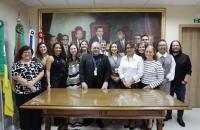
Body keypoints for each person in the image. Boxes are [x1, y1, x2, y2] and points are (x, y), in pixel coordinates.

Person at [80, 41, 111, 128]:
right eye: (94, 48)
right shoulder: (85, 57)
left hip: (100, 85)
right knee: (87, 103)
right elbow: (81, 70)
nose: (96, 49)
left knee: (100, 103)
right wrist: (82, 82)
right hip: (87, 85)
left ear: (100, 48)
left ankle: (99, 119)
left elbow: (108, 71)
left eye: (97, 48)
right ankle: (88, 118)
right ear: (91, 48)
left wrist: (106, 81)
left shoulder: (104, 57)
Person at [12, 45, 44, 130]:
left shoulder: (36, 62)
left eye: (29, 52)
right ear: (21, 54)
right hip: (22, 94)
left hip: (36, 93)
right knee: (24, 114)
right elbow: (16, 77)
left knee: (36, 114)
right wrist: (29, 85)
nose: (27, 54)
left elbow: (41, 73)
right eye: (25, 52)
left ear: (32, 53)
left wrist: (32, 83)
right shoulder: (17, 64)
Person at [165, 40, 192, 127]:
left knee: (181, 101)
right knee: (169, 100)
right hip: (170, 83)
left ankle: (180, 118)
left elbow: (189, 70)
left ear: (179, 47)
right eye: (173, 45)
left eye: (177, 45)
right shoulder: (168, 57)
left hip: (180, 84)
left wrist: (185, 80)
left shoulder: (185, 57)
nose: (175, 47)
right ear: (171, 47)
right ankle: (168, 115)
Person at [141, 45, 164, 130]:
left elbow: (161, 79)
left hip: (152, 88)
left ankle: (150, 123)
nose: (148, 53)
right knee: (144, 106)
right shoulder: (142, 62)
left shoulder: (157, 63)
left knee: (151, 107)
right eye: (147, 51)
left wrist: (150, 86)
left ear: (154, 53)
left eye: (150, 51)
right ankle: (145, 121)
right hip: (142, 86)